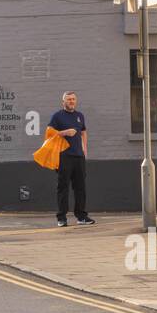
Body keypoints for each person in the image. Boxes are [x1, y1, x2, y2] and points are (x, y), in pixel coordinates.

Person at [49, 91, 94, 228]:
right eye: (68, 99)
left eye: (73, 99)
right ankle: (61, 218)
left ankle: (81, 216)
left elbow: (83, 132)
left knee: (80, 187)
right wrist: (64, 132)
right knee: (63, 187)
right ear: (63, 102)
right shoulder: (57, 116)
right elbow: (49, 134)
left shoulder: (80, 116)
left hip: (79, 156)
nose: (71, 101)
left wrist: (85, 148)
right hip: (64, 156)